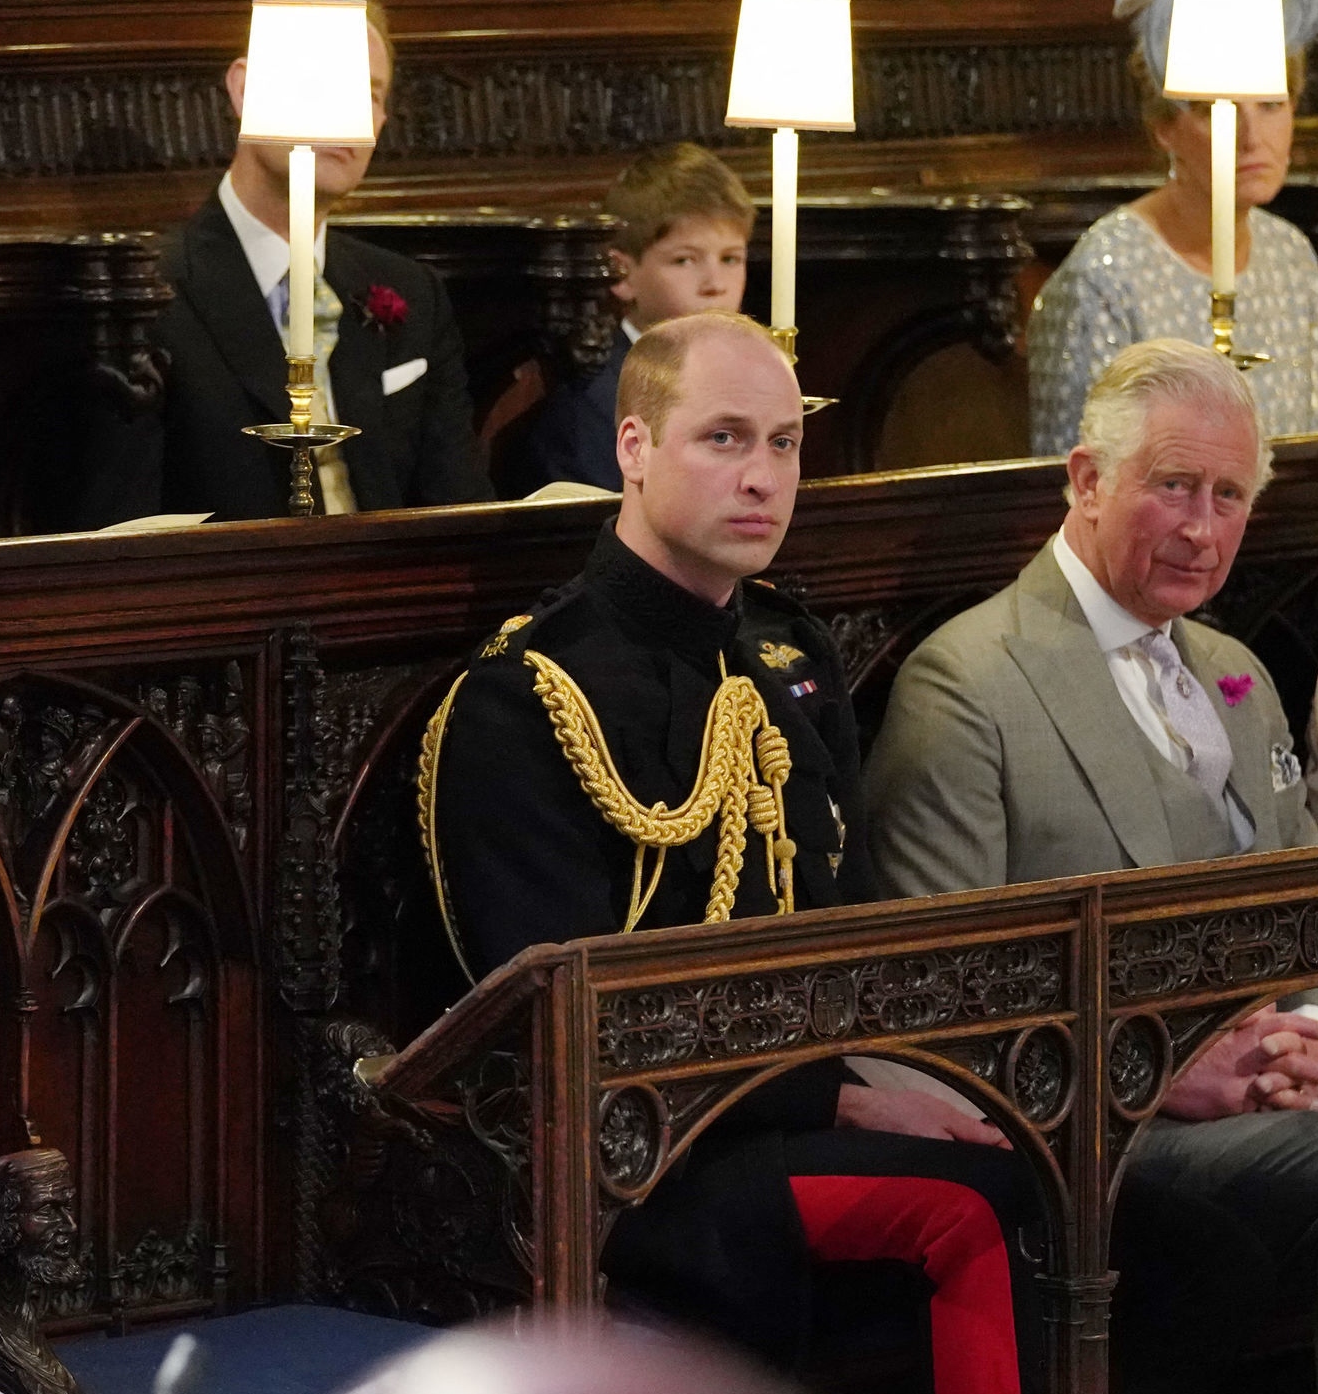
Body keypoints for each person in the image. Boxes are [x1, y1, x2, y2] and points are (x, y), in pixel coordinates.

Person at [421, 312, 1038, 1393]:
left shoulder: (789, 656)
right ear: (632, 447)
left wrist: (913, 1074)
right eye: (722, 439)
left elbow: (845, 924)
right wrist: (831, 1097)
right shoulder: (527, 695)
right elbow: (555, 1014)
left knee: (1052, 1158)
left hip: (794, 1110)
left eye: (783, 443)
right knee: (975, 1206)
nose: (762, 477)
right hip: (641, 1155)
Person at [862, 337, 1318, 1391]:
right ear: (1085, 479)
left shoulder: (1236, 669)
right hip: (1088, 1139)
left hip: (1273, 1103)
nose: (1203, 529)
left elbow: (1300, 911)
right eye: (1171, 487)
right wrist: (1154, 1074)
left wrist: (1305, 1036)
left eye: (1229, 494)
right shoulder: (968, 682)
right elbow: (935, 1005)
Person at [93, 4, 485, 524]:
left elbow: (461, 507)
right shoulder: (149, 293)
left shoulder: (412, 290)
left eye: (368, 93)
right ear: (243, 90)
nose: (345, 112)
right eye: (324, 80)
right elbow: (120, 532)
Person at [1025, 0, 1318, 455]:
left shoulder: (1292, 256)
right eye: (1213, 111)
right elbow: (1072, 476)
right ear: (1164, 127)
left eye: (1271, 106)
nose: (1249, 137)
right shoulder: (1105, 276)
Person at [504, 143, 753, 495]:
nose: (715, 285)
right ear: (622, 274)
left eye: (730, 259)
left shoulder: (754, 377)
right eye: (684, 260)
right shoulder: (592, 400)